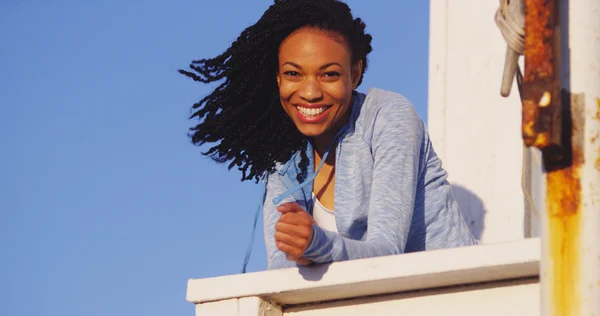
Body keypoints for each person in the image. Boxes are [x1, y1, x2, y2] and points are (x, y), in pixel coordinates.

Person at [180, 0, 478, 270]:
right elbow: (283, 270)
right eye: (293, 74)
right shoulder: (284, 154)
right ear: (277, 78)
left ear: (356, 73)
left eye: (329, 74)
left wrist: (317, 245)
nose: (310, 93)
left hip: (456, 294)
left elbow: (388, 252)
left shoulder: (387, 116)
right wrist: (305, 251)